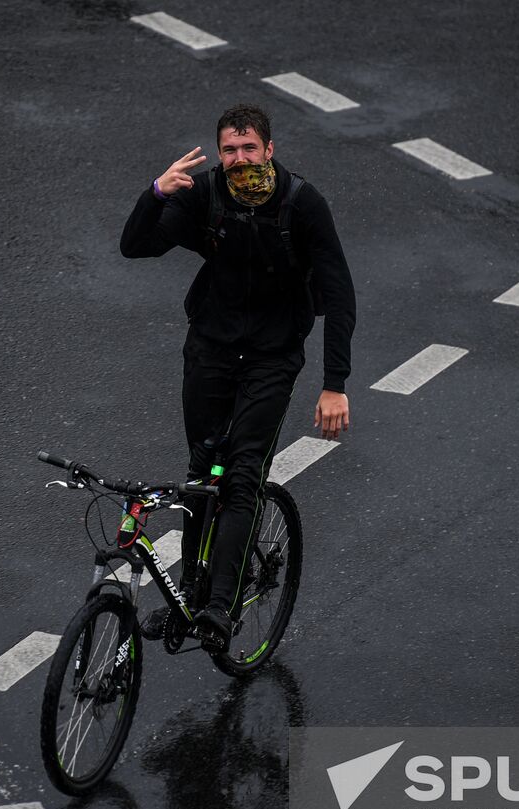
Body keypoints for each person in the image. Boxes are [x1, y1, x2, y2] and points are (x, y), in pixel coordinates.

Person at [119, 103, 356, 654]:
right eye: (230, 150)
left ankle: (221, 606)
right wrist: (156, 192)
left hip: (273, 358)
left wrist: (334, 383)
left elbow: (339, 293)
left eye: (250, 149)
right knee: (202, 470)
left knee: (242, 475)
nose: (240, 159)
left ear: (270, 150)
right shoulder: (205, 195)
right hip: (211, 350)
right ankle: (192, 594)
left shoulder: (302, 204)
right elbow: (136, 245)